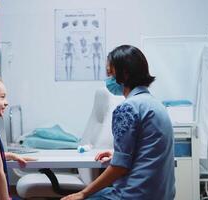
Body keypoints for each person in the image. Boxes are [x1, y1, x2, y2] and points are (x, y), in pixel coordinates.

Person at [62, 45, 175, 200]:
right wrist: (117, 154)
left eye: (110, 73)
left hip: (134, 195)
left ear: (125, 74)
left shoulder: (127, 108)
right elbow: (148, 150)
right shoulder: (157, 105)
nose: (107, 79)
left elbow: (119, 167)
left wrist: (83, 193)